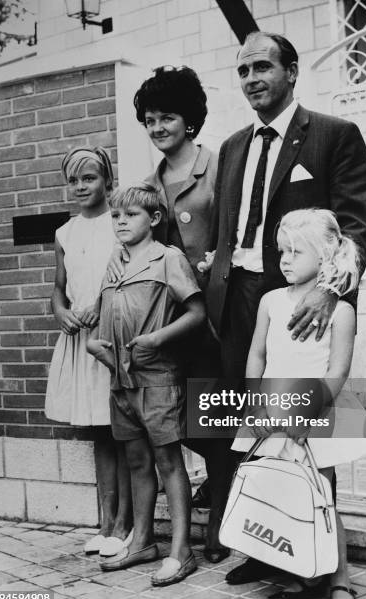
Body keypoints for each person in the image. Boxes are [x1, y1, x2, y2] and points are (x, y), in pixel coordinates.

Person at [205, 31, 366, 584]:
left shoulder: (333, 135)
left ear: (292, 72)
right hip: (245, 309)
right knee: (255, 432)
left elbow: (355, 225)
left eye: (262, 67)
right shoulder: (232, 146)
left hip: (307, 305)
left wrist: (331, 291)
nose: (252, 78)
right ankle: (263, 546)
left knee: (309, 433)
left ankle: (320, 555)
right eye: (243, 70)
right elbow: (226, 231)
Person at [109, 65, 235, 563]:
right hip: (173, 323)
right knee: (181, 422)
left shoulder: (221, 165)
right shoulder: (148, 185)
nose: (158, 127)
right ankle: (206, 509)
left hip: (221, 318)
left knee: (217, 419)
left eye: (168, 117)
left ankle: (221, 518)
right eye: (150, 119)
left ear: (190, 119)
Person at [232, 209, 366, 599]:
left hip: (317, 414)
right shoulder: (270, 302)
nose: (285, 260)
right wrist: (257, 405)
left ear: (326, 256)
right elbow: (257, 355)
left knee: (322, 496)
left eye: (296, 251)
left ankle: (339, 578)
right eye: (282, 251)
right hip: (274, 409)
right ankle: (298, 572)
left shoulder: (340, 311)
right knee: (284, 494)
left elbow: (337, 371)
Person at [87, 184, 205, 586]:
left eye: (130, 215)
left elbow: (196, 313)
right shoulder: (114, 261)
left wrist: (157, 338)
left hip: (157, 379)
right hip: (120, 382)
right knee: (137, 463)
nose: (120, 221)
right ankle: (142, 541)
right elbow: (104, 318)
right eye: (116, 215)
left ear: (154, 219)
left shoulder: (167, 258)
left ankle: (181, 550)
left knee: (168, 462)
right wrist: (96, 347)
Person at [45, 147, 133, 557]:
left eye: (90, 178)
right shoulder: (65, 232)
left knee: (123, 429)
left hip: (111, 336)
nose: (81, 187)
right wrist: (61, 312)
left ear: (106, 180)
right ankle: (106, 520)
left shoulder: (118, 224)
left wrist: (104, 304)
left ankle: (126, 523)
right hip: (80, 339)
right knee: (100, 432)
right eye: (74, 180)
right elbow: (59, 289)